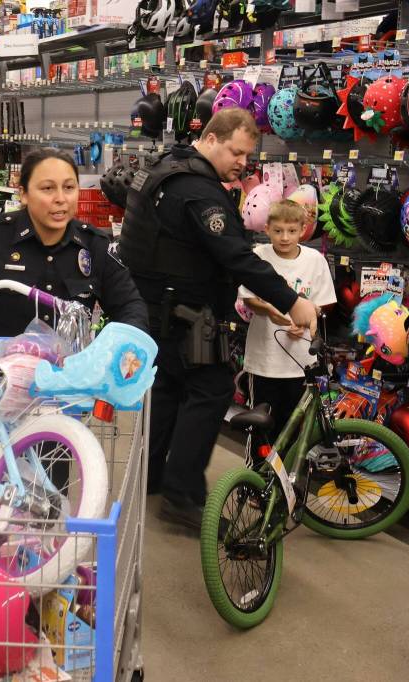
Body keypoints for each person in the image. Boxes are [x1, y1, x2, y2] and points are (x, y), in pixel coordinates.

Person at [118, 107, 319, 530]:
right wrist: (292, 301)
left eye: (247, 156)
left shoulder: (165, 165)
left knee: (171, 386)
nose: (243, 164)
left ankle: (154, 476)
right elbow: (236, 256)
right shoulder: (198, 190)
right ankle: (183, 494)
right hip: (187, 311)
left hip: (154, 308)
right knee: (210, 388)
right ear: (211, 140)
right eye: (237, 152)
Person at [0, 147, 148, 348]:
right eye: (47, 188)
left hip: (69, 384)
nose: (61, 198)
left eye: (69, 187)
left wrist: (127, 342)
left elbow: (129, 304)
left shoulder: (94, 245)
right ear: (24, 194)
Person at [239, 200, 336, 441]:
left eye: (292, 231)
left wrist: (303, 322)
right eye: (278, 231)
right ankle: (257, 476)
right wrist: (271, 310)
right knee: (261, 429)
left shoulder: (315, 260)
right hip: (264, 362)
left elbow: (324, 303)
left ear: (303, 229)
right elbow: (249, 299)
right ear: (266, 229)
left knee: (294, 430)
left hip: (301, 363)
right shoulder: (258, 256)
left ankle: (289, 478)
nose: (284, 238)